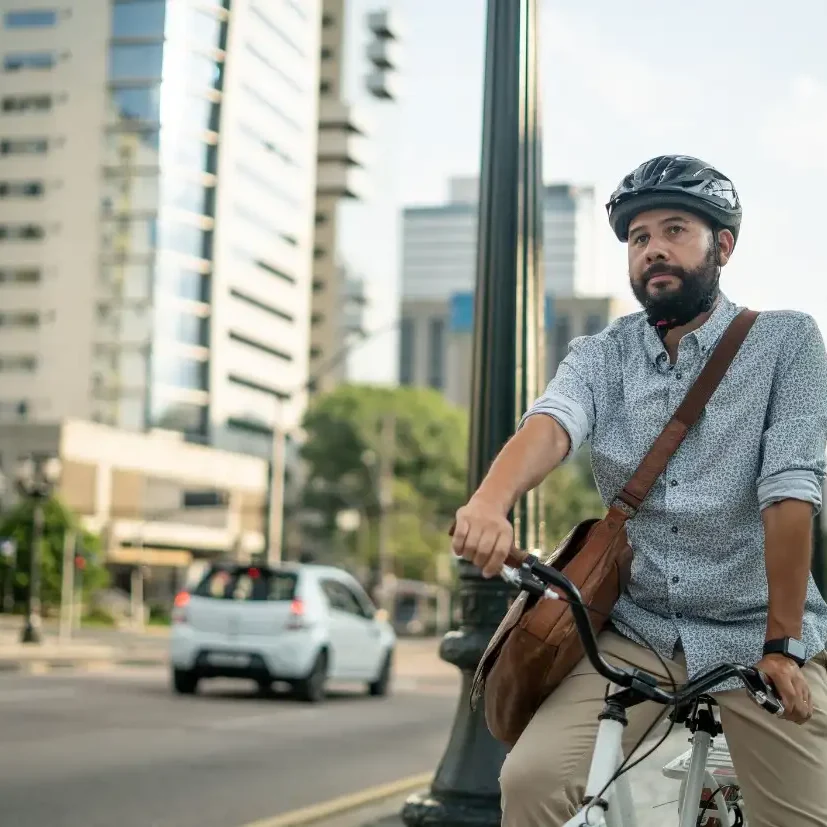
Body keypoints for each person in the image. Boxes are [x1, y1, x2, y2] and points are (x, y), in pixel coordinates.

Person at [451, 155, 827, 827]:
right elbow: (554, 421)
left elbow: (788, 494)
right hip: (638, 628)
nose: (652, 247)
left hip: (757, 633)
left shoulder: (786, 340)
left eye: (674, 229)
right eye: (637, 236)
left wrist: (782, 643)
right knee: (531, 784)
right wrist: (489, 501)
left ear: (722, 245)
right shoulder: (603, 353)